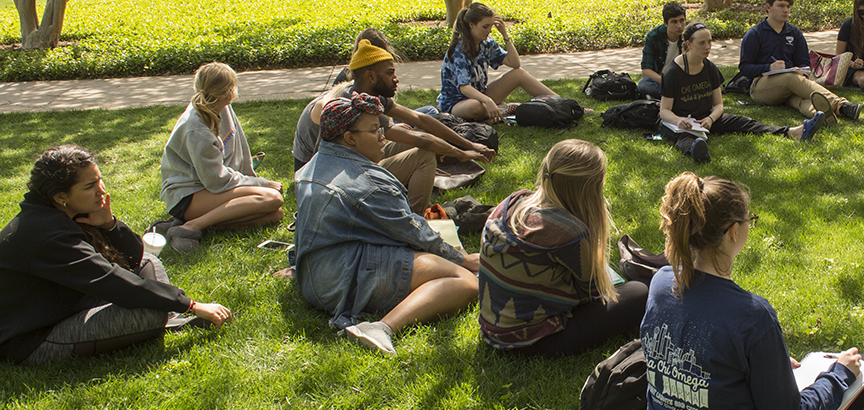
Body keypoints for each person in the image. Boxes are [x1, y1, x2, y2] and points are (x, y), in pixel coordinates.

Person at [642, 172, 864, 410]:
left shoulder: (661, 283)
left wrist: (766, 368)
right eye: (750, 220)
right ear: (733, 231)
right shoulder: (752, 316)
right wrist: (839, 374)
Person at [1, 145, 232, 365]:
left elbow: (134, 259)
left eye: (99, 179)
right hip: (35, 337)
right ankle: (167, 317)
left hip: (73, 303)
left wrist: (109, 225)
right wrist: (189, 304)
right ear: (61, 196)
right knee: (150, 313)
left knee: (148, 261)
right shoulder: (47, 236)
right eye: (89, 186)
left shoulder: (58, 212)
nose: (101, 190)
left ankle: (168, 316)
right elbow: (109, 279)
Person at [294, 93, 481, 356]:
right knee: (464, 281)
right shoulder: (369, 184)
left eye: (381, 127)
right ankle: (381, 328)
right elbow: (411, 230)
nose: (384, 136)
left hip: (311, 275)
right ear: (350, 138)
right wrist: (463, 260)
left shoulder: (311, 167)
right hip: (339, 282)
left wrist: (295, 262)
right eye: (374, 130)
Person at [477, 139, 647, 356]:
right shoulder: (570, 232)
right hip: (536, 340)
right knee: (640, 291)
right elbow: (592, 293)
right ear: (590, 188)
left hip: (493, 329)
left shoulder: (514, 201)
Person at [295, 37, 494, 214]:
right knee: (423, 153)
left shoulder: (367, 94)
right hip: (331, 180)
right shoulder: (354, 103)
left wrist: (469, 145)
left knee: (423, 133)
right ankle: (416, 219)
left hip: (346, 167)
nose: (396, 78)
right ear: (370, 76)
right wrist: (460, 153)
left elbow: (421, 120)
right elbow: (420, 139)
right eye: (390, 73)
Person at [159, 62, 284, 252]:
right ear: (229, 92)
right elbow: (216, 180)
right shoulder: (196, 129)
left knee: (275, 214)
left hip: (210, 186)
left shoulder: (222, 108)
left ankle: (196, 224)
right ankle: (190, 226)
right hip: (187, 195)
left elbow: (237, 151)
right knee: (272, 198)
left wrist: (252, 181)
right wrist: (262, 184)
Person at [659, 23, 825, 163]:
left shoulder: (709, 67)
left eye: (709, 41)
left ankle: (791, 132)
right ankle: (697, 151)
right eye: (702, 43)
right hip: (680, 123)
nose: (707, 47)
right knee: (684, 139)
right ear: (689, 44)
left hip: (705, 119)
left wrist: (710, 118)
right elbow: (664, 111)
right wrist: (679, 121)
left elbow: (718, 104)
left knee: (745, 122)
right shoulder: (672, 71)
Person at [739, 0, 863, 125]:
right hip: (761, 87)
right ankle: (841, 104)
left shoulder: (795, 33)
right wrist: (769, 67)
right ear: (768, 7)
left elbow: (805, 64)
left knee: (800, 100)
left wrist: (800, 70)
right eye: (781, 6)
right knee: (790, 79)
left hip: (790, 86)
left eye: (788, 6)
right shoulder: (755, 34)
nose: (786, 10)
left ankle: (821, 116)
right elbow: (745, 67)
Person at [439, 2, 558, 123]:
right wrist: (488, 101)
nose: (489, 30)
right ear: (471, 25)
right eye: (485, 27)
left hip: (481, 95)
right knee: (475, 107)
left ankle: (561, 103)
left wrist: (504, 34)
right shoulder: (459, 50)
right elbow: (464, 88)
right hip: (456, 104)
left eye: (491, 26)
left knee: (518, 74)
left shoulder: (486, 44)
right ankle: (503, 110)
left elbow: (514, 63)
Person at [638, 2, 688, 100]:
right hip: (661, 81)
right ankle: (678, 98)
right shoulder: (654, 37)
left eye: (682, 20)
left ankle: (668, 97)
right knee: (643, 84)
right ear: (666, 23)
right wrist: (667, 82)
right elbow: (646, 71)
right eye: (674, 22)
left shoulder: (689, 35)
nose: (679, 26)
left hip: (682, 81)